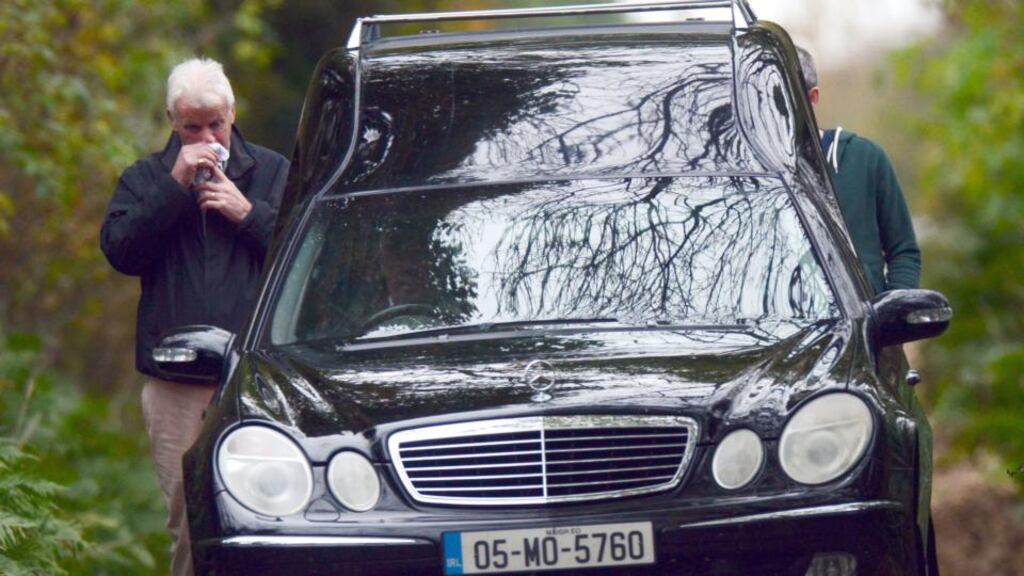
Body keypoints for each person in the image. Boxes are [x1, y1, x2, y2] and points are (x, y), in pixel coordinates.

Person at [100, 57, 288, 576]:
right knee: (190, 520)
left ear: (232, 114)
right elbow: (121, 252)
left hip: (258, 381)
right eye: (192, 127)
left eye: (216, 124)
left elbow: (310, 261)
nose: (207, 137)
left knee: (272, 512)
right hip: (174, 385)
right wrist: (173, 186)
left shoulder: (273, 173)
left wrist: (246, 215)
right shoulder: (144, 179)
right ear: (172, 122)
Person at [796, 46, 921, 294]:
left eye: (788, 97)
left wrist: (891, 317)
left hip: (860, 329)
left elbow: (903, 251)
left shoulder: (865, 159)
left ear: (813, 97)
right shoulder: (749, 170)